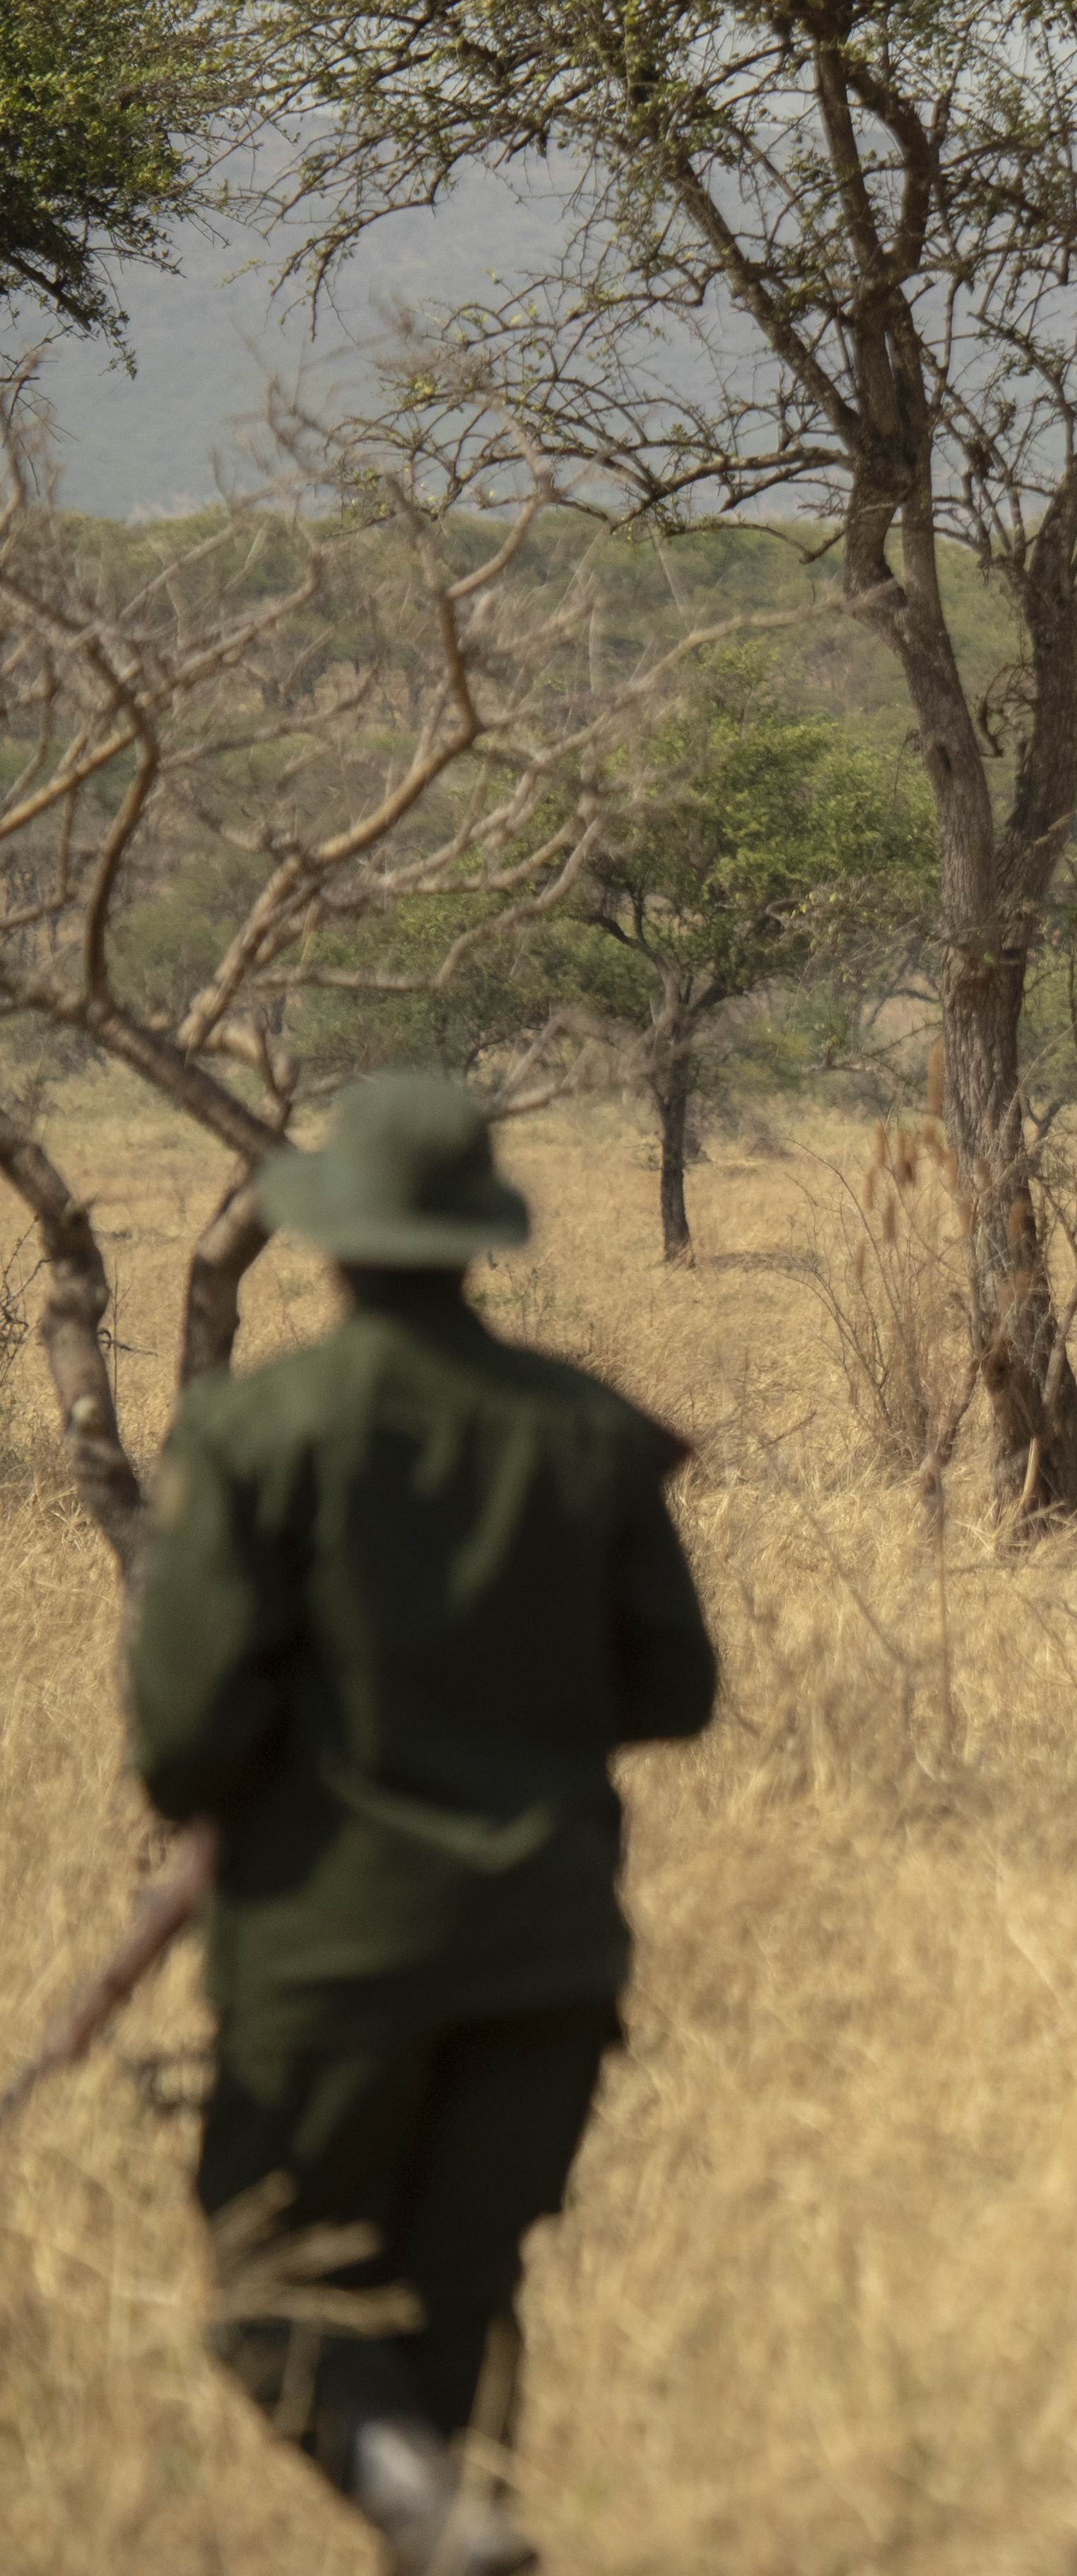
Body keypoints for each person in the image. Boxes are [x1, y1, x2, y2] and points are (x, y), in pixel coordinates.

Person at [129, 1073, 719, 2576]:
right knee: (460, 2306)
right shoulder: (587, 1432)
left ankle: (420, 2515)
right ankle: (451, 2519)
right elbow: (678, 1687)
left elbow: (186, 1741)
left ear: (332, 1245)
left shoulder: (260, 1431)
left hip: (329, 1956)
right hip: (546, 1950)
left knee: (270, 2294)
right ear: (474, 1241)